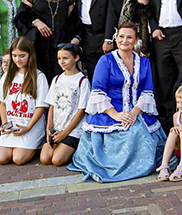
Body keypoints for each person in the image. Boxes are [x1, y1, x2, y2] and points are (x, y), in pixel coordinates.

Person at [68, 22, 166, 182]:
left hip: (137, 110)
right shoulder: (106, 60)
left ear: (136, 40)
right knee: (129, 135)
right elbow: (98, 91)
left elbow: (147, 91)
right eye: (121, 36)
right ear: (116, 38)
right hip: (110, 111)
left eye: (129, 37)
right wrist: (117, 115)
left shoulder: (144, 62)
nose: (124, 40)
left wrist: (134, 113)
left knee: (138, 132)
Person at [15, 0, 76, 82]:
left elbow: (72, 20)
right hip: (39, 44)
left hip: (61, 42)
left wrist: (74, 39)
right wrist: (36, 22)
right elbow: (21, 16)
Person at [0, 37, 49, 165]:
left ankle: (37, 144)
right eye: (14, 56)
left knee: (18, 159)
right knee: (1, 159)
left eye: (22, 56)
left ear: (30, 55)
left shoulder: (39, 77)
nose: (18, 59)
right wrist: (4, 124)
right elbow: (3, 103)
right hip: (12, 125)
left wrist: (27, 128)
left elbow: (40, 107)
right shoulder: (8, 76)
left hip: (30, 125)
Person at [41, 43, 90, 167]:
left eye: (65, 58)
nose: (61, 62)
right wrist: (48, 128)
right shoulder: (56, 79)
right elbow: (52, 105)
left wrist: (65, 133)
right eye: (59, 58)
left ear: (76, 58)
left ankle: (76, 149)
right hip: (57, 128)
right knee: (45, 159)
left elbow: (81, 111)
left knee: (57, 160)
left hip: (73, 130)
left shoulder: (82, 81)